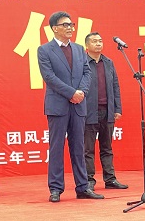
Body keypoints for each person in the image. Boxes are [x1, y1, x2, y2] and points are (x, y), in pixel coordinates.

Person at [37, 12, 104, 202]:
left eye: (71, 24)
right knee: (56, 147)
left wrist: (81, 92)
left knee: (79, 147)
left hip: (78, 105)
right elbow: (49, 77)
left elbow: (86, 73)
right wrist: (71, 93)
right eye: (65, 25)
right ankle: (56, 188)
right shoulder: (44, 50)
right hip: (58, 105)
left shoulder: (79, 49)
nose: (70, 28)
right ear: (54, 28)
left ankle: (82, 187)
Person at [83, 32, 127, 190]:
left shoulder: (108, 62)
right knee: (87, 149)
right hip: (88, 112)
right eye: (94, 41)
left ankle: (110, 179)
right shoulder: (82, 63)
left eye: (100, 41)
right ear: (87, 46)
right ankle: (88, 180)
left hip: (107, 111)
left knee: (107, 148)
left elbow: (115, 86)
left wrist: (117, 108)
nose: (98, 44)